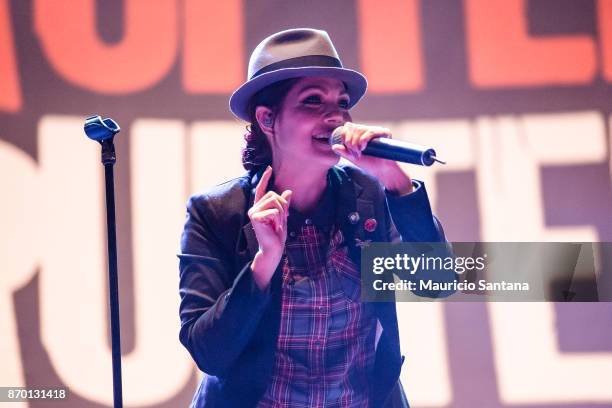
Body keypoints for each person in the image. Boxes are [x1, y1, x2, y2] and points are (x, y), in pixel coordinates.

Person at [178, 28, 449, 408]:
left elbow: (437, 281)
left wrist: (395, 180)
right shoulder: (216, 212)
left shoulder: (368, 194)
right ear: (267, 118)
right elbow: (210, 353)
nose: (335, 117)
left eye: (341, 102)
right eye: (313, 102)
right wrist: (263, 265)